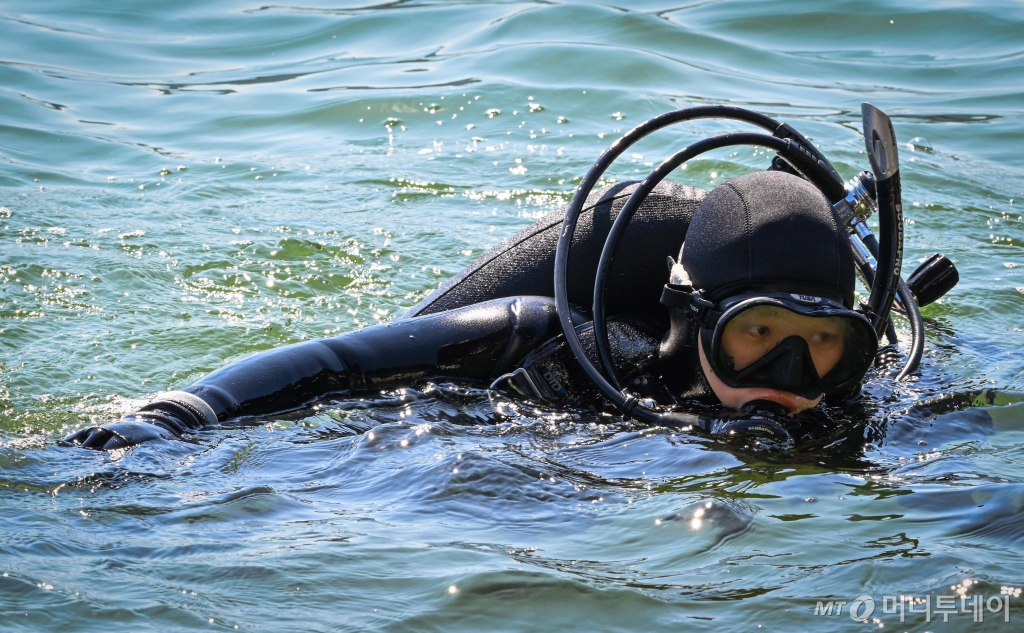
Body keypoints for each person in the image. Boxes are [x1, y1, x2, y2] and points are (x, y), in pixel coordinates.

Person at [63, 170, 878, 450]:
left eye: (821, 346)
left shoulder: (844, 418)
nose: (788, 375)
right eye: (759, 334)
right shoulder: (557, 344)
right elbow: (338, 361)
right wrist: (175, 417)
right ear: (692, 316)